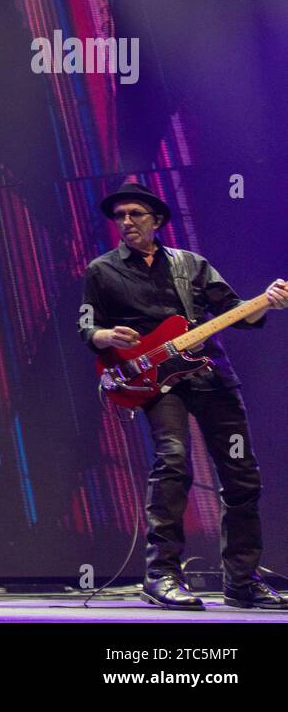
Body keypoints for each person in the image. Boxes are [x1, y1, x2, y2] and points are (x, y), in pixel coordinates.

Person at [81, 181, 288, 610]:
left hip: (210, 375)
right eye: (120, 216)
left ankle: (242, 580)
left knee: (241, 473)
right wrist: (104, 335)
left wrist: (268, 301)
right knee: (172, 463)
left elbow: (240, 313)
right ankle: (161, 575)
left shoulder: (191, 265)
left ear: (157, 221)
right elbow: (87, 326)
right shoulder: (101, 270)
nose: (126, 222)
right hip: (155, 380)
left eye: (135, 214)